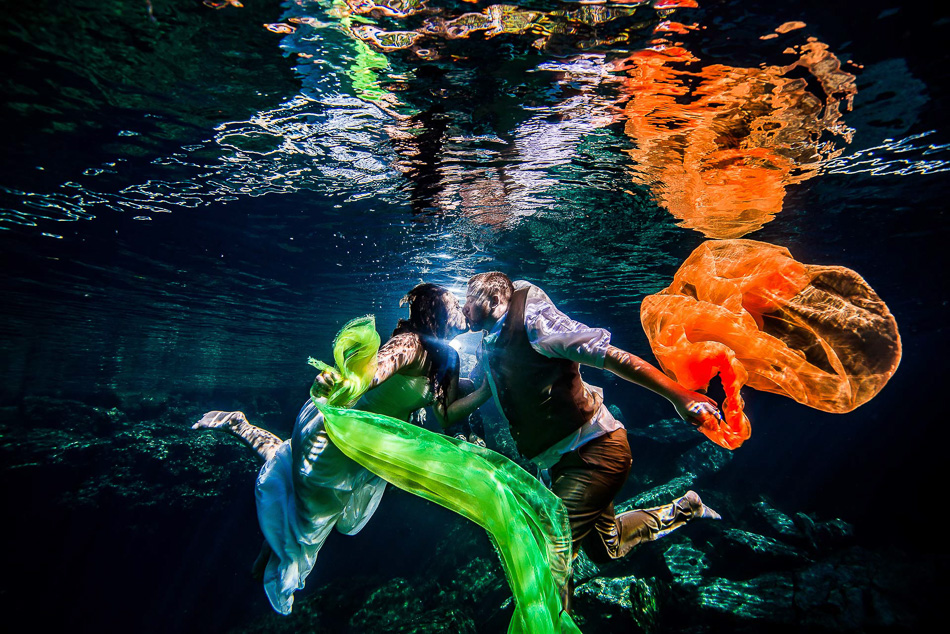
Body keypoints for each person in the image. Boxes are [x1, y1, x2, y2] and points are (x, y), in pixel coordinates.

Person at [193, 283, 468, 615]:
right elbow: (375, 372)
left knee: (303, 490)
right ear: (436, 315)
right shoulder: (409, 344)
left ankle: (242, 432)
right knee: (310, 521)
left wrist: (485, 389)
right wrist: (342, 381)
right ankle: (241, 428)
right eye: (454, 305)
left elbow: (444, 410)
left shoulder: (444, 357)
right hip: (337, 438)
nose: (461, 310)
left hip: (365, 448)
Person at [454, 272, 725, 572]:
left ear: (493, 300)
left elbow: (610, 356)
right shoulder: (488, 344)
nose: (463, 306)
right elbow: (481, 390)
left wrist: (678, 396)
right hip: (557, 465)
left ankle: (555, 619)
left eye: (469, 299)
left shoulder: (537, 323)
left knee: (548, 557)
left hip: (594, 452)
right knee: (607, 549)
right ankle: (687, 508)